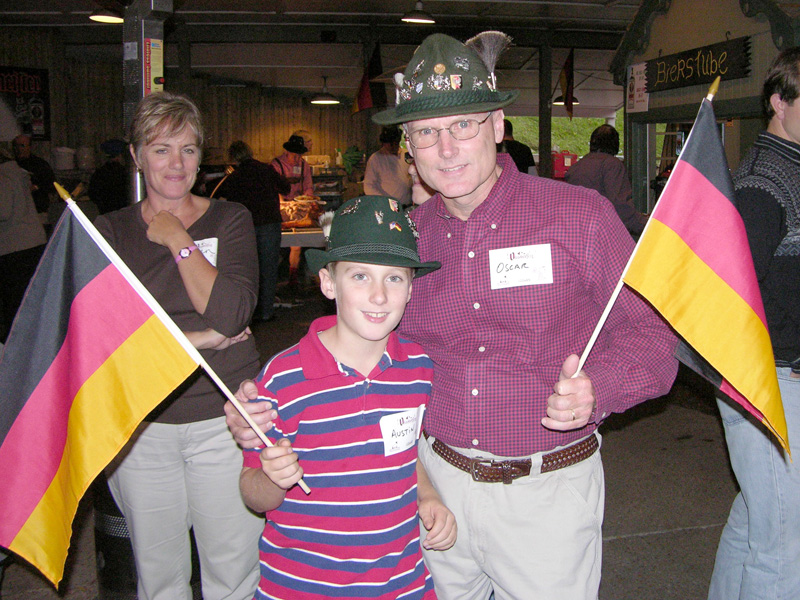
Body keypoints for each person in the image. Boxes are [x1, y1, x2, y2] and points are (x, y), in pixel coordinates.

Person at [226, 32, 678, 600]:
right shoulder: (406, 241)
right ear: (408, 147)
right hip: (429, 491)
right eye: (426, 133)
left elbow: (655, 338)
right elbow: (361, 338)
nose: (446, 149)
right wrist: (269, 402)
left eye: (463, 125)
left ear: (496, 127)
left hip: (547, 496)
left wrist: (598, 389)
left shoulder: (579, 218)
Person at [236, 195, 456, 599]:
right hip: (302, 586)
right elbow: (253, 492)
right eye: (359, 276)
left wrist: (428, 496)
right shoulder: (282, 379)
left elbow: (404, 454)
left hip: (401, 583)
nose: (378, 295)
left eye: (394, 278)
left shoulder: (418, 369)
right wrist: (271, 477)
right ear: (328, 283)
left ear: (410, 289)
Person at [95, 91, 263, 600]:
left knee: (232, 569)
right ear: (136, 156)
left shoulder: (229, 218)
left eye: (188, 150)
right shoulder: (110, 232)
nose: (176, 163)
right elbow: (110, 342)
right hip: (144, 425)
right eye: (161, 148)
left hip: (224, 421)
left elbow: (232, 313)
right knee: (159, 573)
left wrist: (176, 238)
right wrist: (206, 337)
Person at [707, 47, 800, 600]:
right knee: (784, 546)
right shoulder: (767, 182)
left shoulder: (789, 170)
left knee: (755, 519)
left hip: (770, 380)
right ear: (779, 102)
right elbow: (733, 297)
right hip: (770, 382)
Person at [216, 141, 290, 321]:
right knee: (269, 268)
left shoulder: (234, 177)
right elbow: (286, 188)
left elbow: (221, 201)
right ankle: (266, 312)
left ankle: (249, 312)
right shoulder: (266, 169)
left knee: (248, 269)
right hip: (269, 222)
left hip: (245, 226)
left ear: (232, 157)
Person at [565, 124, 648, 235]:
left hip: (577, 230)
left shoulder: (576, 167)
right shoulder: (612, 165)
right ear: (615, 145)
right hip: (601, 233)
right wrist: (647, 225)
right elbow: (621, 208)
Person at [0, 147, 46, 342]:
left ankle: (15, 345)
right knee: (30, 301)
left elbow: (3, 212)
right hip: (34, 241)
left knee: (13, 304)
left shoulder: (3, 178)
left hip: (14, 246)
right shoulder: (20, 173)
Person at [272, 131, 314, 289]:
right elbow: (272, 188)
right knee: (277, 242)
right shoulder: (276, 164)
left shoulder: (304, 165)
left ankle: (293, 278)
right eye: (294, 156)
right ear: (286, 152)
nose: (297, 160)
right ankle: (273, 276)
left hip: (298, 209)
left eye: (299, 156)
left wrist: (307, 198)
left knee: (296, 243)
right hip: (281, 207)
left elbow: (309, 186)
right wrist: (281, 201)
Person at [363, 125, 412, 205]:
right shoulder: (376, 159)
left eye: (395, 143)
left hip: (407, 205)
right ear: (384, 143)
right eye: (390, 143)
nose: (393, 146)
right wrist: (386, 202)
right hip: (387, 207)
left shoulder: (406, 155)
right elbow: (368, 187)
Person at [12, 133, 55, 213]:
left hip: (37, 208)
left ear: (29, 147)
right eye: (16, 146)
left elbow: (51, 184)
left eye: (22, 145)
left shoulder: (40, 164)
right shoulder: (12, 165)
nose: (18, 149)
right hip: (17, 208)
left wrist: (35, 187)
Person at [89, 138, 131, 215]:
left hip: (106, 215)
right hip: (124, 216)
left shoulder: (99, 173)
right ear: (120, 155)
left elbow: (92, 195)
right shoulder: (125, 174)